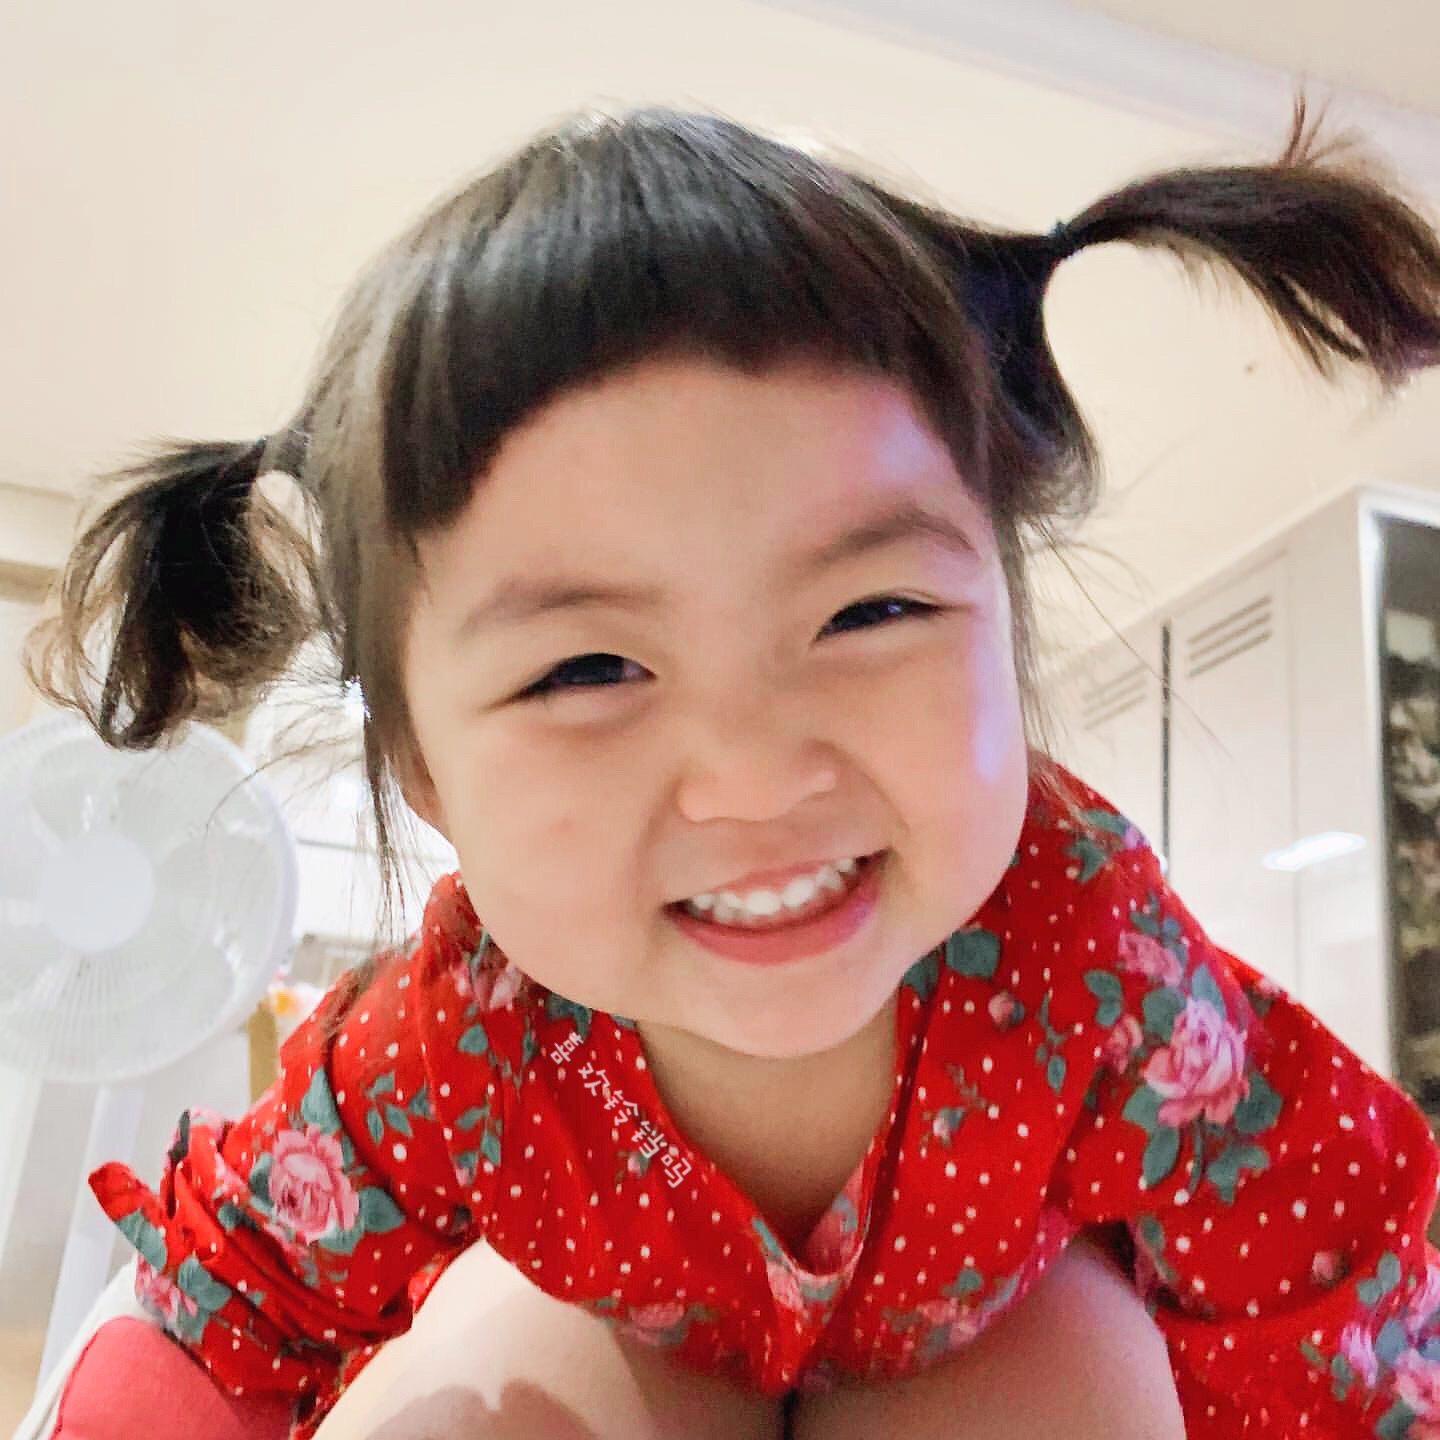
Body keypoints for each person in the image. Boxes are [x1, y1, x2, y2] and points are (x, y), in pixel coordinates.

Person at [22, 100, 1440, 1439]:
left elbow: (1327, 1279)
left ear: (1006, 631)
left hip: (1001, 1320)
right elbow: (224, 1295)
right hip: (627, 1329)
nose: (756, 780)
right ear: (425, 775)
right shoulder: (463, 1040)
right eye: (586, 670)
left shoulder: (1093, 962)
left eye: (871, 612)